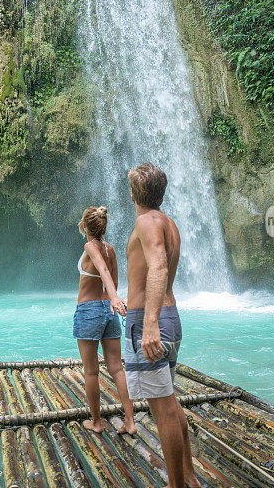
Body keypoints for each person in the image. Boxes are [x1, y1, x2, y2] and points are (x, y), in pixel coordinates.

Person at [123, 163, 200, 488]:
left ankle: (176, 485)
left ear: (134, 193)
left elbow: (158, 266)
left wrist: (150, 324)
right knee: (169, 400)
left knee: (163, 408)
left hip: (150, 321)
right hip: (170, 316)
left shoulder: (146, 222)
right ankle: (189, 477)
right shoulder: (169, 223)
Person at [73, 206, 137, 435]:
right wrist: (112, 299)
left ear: (85, 225)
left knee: (91, 372)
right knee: (117, 368)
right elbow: (114, 278)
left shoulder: (90, 246)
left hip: (89, 309)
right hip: (108, 310)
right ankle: (130, 422)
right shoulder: (110, 249)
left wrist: (114, 298)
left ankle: (97, 423)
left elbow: (102, 270)